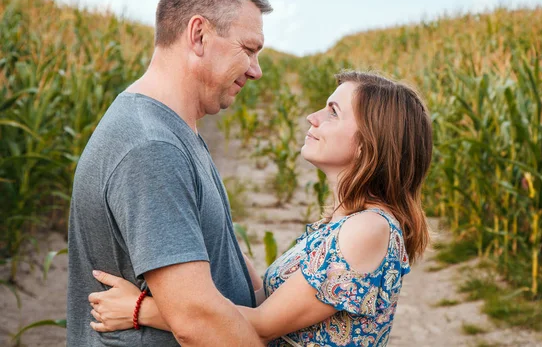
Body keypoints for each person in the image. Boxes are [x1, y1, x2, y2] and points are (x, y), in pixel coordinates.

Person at [88, 71, 433, 346]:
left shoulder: (369, 229)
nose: (313, 117)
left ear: (367, 144)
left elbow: (262, 327)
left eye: (333, 112)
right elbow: (267, 299)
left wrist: (140, 310)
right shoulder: (344, 223)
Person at [67, 0, 272, 346]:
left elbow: (213, 248)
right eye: (248, 50)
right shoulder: (151, 147)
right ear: (198, 35)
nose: (256, 70)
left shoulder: (174, 128)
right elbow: (196, 320)